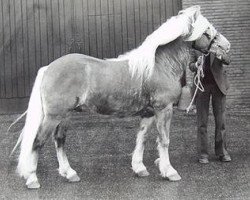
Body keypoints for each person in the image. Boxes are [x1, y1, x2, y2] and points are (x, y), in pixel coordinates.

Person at [189, 51, 231, 164]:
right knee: (202, 122)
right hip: (202, 86)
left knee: (221, 121)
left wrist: (220, 56)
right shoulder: (196, 45)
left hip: (219, 86)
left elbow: (228, 60)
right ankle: (203, 154)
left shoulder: (218, 43)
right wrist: (197, 64)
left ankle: (222, 152)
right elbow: (190, 66)